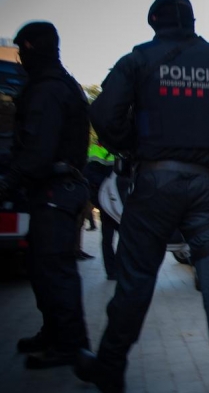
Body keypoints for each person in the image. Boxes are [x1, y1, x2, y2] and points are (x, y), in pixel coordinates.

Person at [73, 0, 209, 393]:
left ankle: (109, 366)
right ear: (190, 21)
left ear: (154, 21)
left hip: (154, 183)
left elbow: (102, 114)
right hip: (204, 184)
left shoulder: (138, 60)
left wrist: (130, 145)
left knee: (135, 278)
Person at [0, 21, 91, 369]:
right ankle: (55, 333)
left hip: (56, 190)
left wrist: (9, 182)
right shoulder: (59, 84)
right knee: (41, 267)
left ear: (32, 48)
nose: (21, 57)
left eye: (23, 49)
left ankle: (69, 345)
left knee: (55, 270)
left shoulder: (48, 89)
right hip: (57, 190)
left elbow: (38, 148)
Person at [83, 141, 118, 280]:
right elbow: (90, 176)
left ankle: (116, 269)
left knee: (115, 237)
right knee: (110, 237)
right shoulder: (96, 151)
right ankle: (112, 270)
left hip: (114, 202)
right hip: (109, 202)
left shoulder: (121, 150)